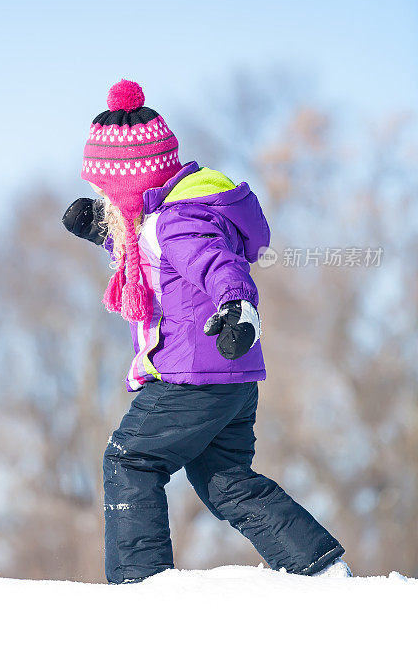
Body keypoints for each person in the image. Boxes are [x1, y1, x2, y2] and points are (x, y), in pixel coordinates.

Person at [63, 79, 351, 584]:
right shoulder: (171, 215)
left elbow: (216, 267)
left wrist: (238, 309)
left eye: (104, 193)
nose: (101, 200)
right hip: (230, 378)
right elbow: (160, 269)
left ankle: (140, 586)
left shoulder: (177, 221)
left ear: (127, 182)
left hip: (195, 374)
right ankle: (322, 571)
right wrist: (105, 234)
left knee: (129, 460)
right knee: (226, 481)